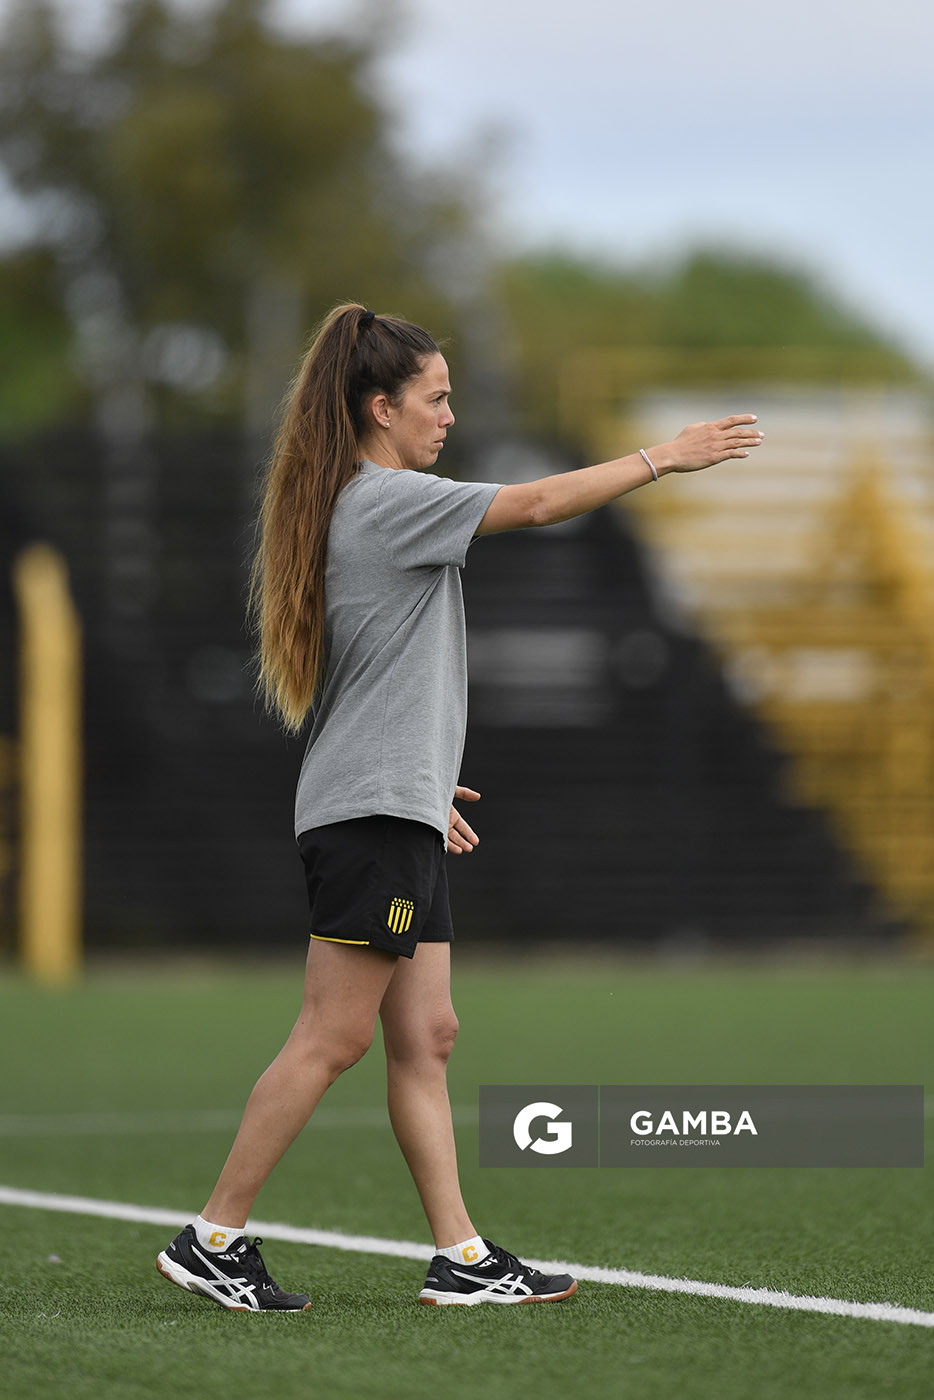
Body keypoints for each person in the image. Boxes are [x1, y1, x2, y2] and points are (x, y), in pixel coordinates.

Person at [156, 303, 764, 1311]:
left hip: (396, 807)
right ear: (380, 406)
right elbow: (530, 506)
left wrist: (420, 787)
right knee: (332, 1035)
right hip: (371, 816)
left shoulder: (371, 498)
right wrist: (663, 456)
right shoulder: (388, 497)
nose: (448, 414)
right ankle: (214, 1233)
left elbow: (386, 678)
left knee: (426, 1031)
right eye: (433, 399)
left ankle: (461, 1255)